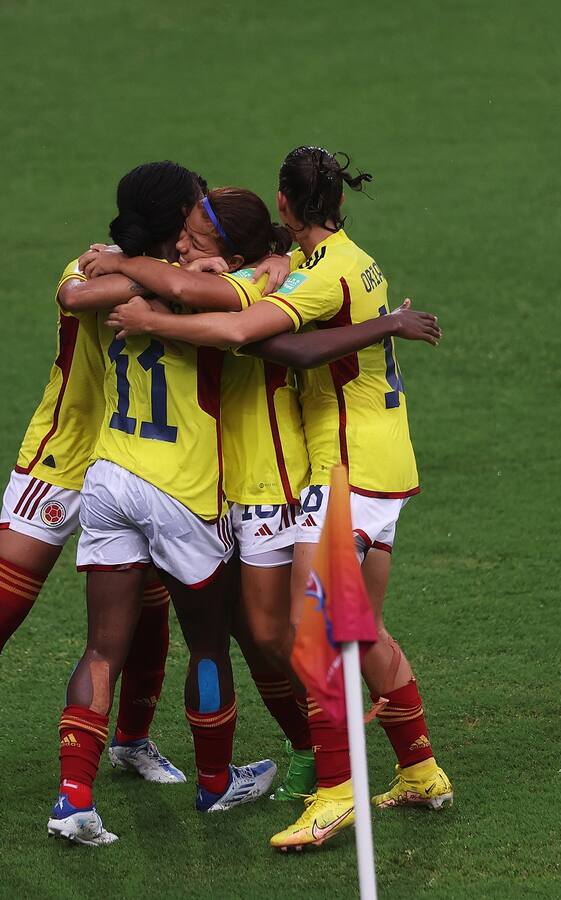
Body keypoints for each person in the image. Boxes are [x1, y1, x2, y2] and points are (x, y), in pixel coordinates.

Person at [105, 146, 451, 851]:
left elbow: (252, 335)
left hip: (345, 466)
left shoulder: (316, 277)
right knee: (359, 631)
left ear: (286, 206)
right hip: (373, 458)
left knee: (310, 634)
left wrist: (152, 317)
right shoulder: (347, 260)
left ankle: (334, 791)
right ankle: (421, 770)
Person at [48, 173, 279, 847]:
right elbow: (255, 289)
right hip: (185, 489)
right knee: (208, 642)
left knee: (101, 646)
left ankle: (73, 800)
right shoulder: (209, 287)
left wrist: (132, 268)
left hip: (111, 474)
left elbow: (77, 292)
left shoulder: (90, 271)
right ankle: (215, 784)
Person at [1, 164, 196, 793]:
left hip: (129, 464)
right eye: (196, 209)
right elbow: (89, 295)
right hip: (60, 458)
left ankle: (133, 741)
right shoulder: (88, 273)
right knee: (5, 605)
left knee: (146, 614)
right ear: (176, 219)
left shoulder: (151, 273)